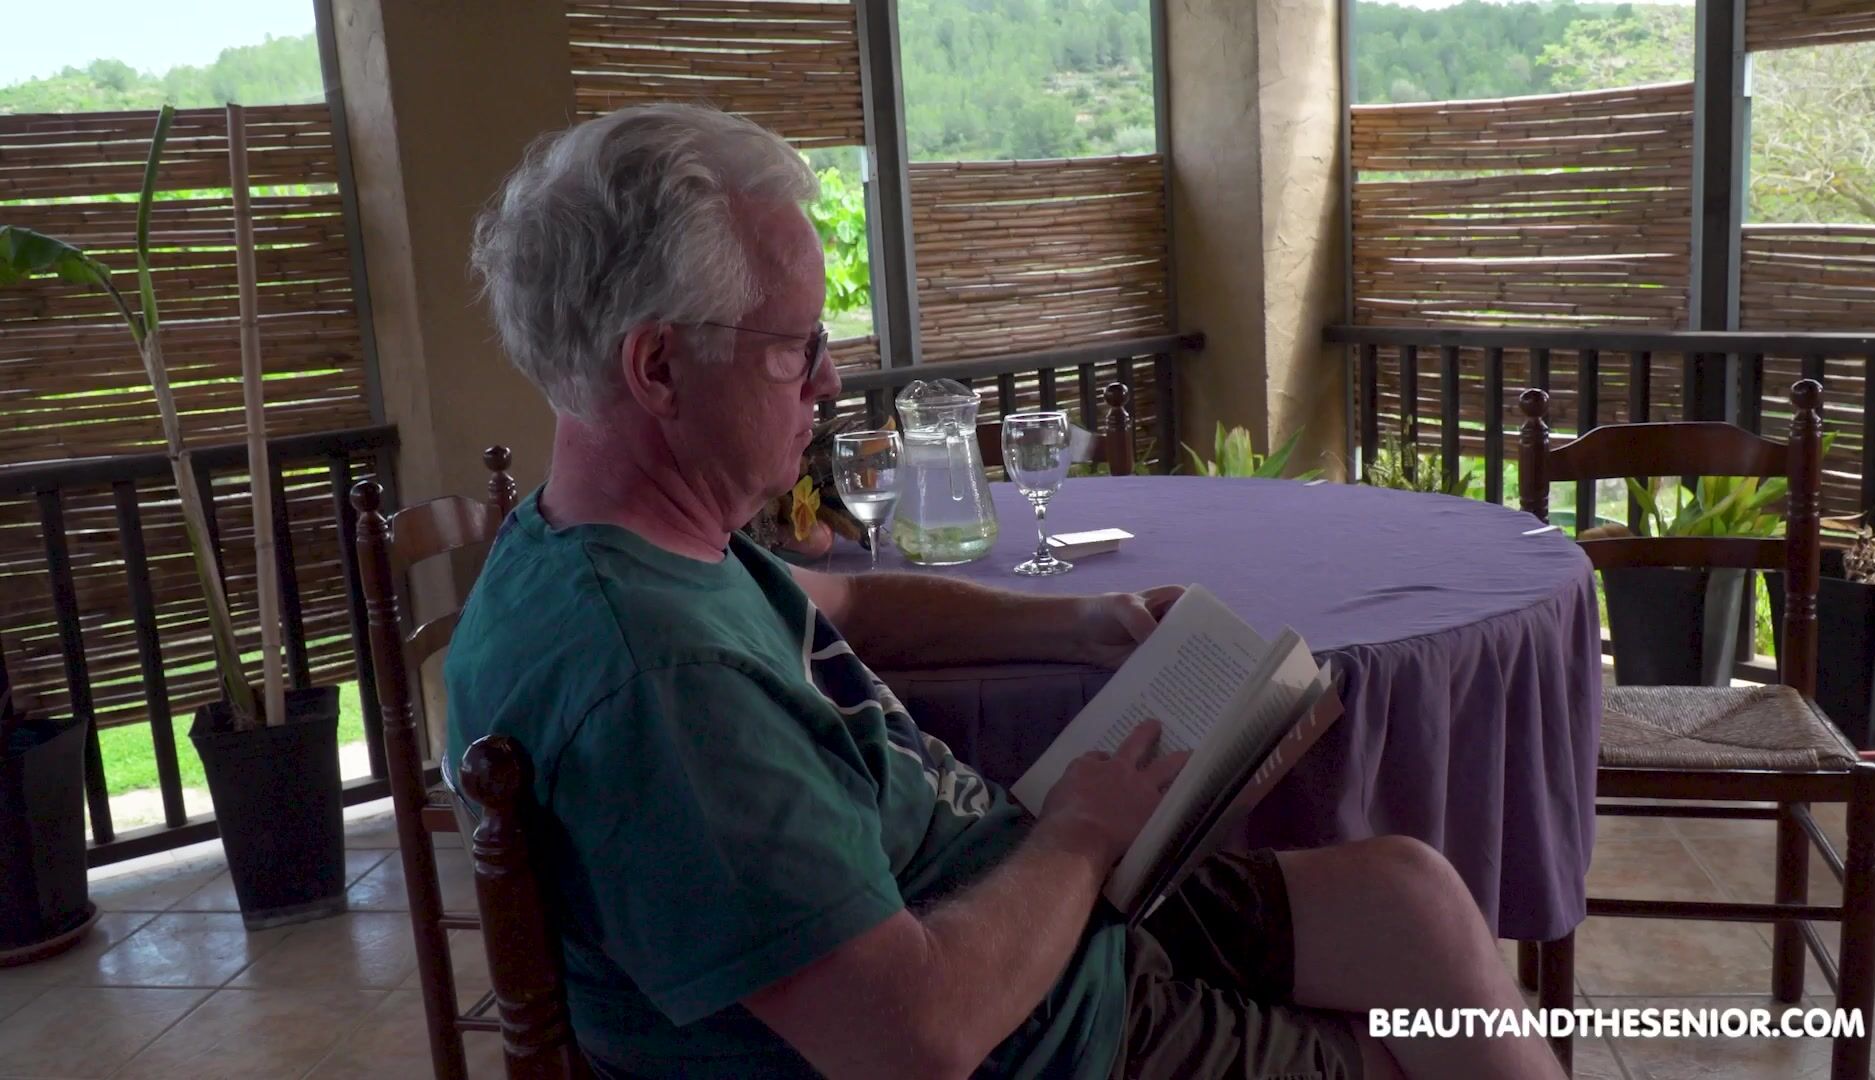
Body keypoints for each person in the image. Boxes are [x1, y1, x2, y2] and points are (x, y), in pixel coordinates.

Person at [447, 103, 1562, 1080]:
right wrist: (1078, 833)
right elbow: (914, 1040)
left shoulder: (623, 545)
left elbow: (854, 608)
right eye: (795, 347)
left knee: (1408, 896)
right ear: (656, 367)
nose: (829, 379)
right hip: (1032, 1030)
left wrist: (1086, 623)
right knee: (1418, 1058)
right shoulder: (663, 681)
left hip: (1015, 910)